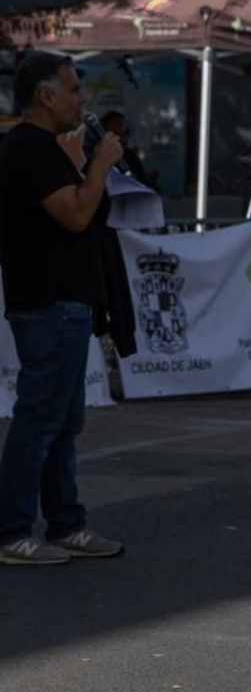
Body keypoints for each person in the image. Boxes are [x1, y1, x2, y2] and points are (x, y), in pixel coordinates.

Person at [0, 53, 125, 565]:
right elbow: (74, 214)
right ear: (46, 95)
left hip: (66, 301)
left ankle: (66, 522)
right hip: (48, 303)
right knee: (39, 419)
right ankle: (12, 531)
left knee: (63, 421)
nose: (83, 100)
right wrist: (97, 166)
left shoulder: (45, 148)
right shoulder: (27, 147)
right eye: (74, 90)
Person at [99, 111, 154, 188]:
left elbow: (143, 183)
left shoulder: (131, 157)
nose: (117, 139)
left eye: (121, 135)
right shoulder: (94, 158)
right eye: (114, 134)